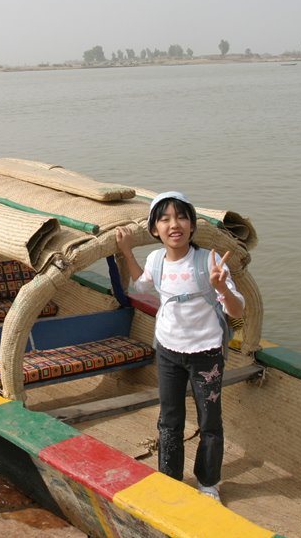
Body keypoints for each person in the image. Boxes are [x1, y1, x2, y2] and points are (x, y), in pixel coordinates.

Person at [115, 191, 245, 504]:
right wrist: (126, 252)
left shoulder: (208, 262)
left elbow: (237, 310)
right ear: (154, 229)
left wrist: (219, 289)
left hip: (206, 355)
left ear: (192, 225)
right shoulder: (156, 259)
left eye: (181, 217)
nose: (175, 225)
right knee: (169, 418)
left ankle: (209, 482)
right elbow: (142, 285)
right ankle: (170, 478)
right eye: (165, 219)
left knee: (209, 421)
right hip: (169, 352)